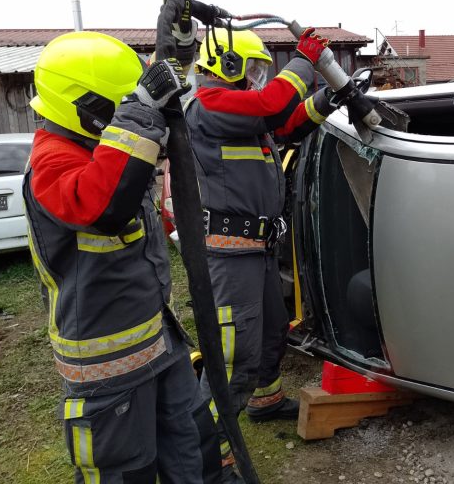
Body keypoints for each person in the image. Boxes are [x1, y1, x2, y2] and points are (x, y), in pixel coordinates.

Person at [24, 25, 222, 483]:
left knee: (187, 448)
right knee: (124, 471)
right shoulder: (52, 159)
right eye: (115, 107)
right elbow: (103, 206)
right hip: (105, 366)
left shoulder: (101, 146)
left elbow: (150, 132)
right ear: (84, 107)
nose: (121, 116)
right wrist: (138, 110)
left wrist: (180, 54)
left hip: (157, 340)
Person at [184, 25, 337, 478]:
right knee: (234, 354)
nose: (255, 79)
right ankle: (211, 455)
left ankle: (265, 401)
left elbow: (287, 123)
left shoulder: (240, 115)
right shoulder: (209, 105)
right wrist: (304, 61)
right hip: (231, 256)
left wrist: (328, 99)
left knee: (271, 332)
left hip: (258, 249)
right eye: (251, 69)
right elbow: (273, 105)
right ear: (225, 65)